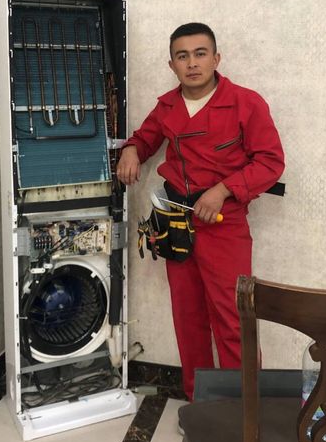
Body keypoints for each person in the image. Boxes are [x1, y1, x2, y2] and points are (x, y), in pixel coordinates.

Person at [116, 22, 284, 400]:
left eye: (200, 53)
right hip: (176, 222)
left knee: (232, 318)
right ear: (172, 65)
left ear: (216, 58)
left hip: (224, 224)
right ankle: (200, 401)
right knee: (188, 316)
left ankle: (244, 409)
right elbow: (145, 139)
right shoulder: (167, 106)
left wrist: (222, 191)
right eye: (182, 56)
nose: (192, 63)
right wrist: (131, 150)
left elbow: (270, 162)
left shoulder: (246, 103)